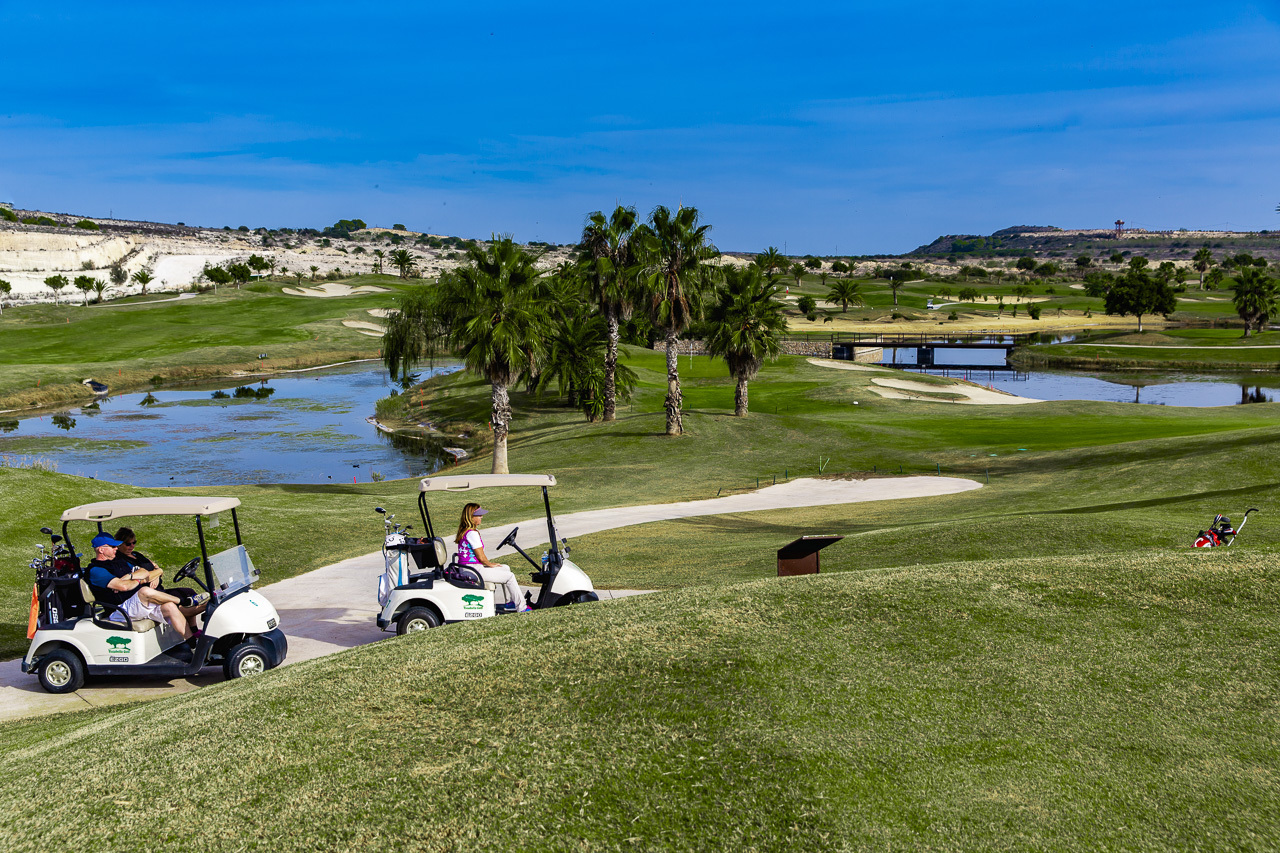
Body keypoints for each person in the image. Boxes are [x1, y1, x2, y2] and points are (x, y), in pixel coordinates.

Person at [84, 534, 198, 639]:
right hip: (120, 610)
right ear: (101, 550)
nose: (116, 549)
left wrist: (131, 576)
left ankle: (194, 644)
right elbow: (123, 586)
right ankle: (185, 601)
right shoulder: (96, 570)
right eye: (113, 546)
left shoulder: (119, 561)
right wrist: (139, 580)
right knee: (145, 591)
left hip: (137, 603)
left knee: (170, 606)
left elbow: (144, 571)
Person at [114, 526, 206, 620]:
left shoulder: (137, 555)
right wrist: (158, 572)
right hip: (148, 596)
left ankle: (194, 626)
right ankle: (202, 608)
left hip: (160, 590)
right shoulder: (121, 561)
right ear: (119, 544)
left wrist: (157, 574)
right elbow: (142, 577)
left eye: (134, 542)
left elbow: (155, 566)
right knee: (181, 605)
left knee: (188, 592)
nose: (132, 546)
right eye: (128, 544)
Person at [455, 503, 530, 613]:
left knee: (505, 568)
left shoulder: (465, 531)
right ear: (471, 517)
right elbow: (481, 557)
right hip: (473, 570)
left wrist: (490, 565)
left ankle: (510, 603)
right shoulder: (472, 534)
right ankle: (522, 608)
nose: (481, 517)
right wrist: (490, 564)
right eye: (479, 515)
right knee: (510, 577)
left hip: (468, 568)